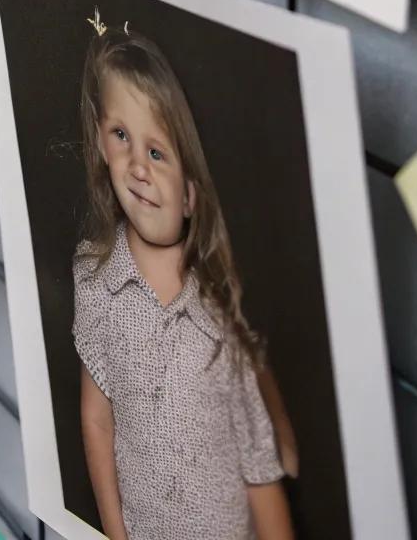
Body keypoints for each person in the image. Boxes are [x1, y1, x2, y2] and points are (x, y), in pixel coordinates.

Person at [73, 27, 297, 540]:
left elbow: (261, 480)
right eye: (121, 136)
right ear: (100, 143)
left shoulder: (220, 328)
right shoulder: (94, 282)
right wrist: (115, 532)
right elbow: (97, 422)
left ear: (192, 196)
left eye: (157, 152)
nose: (136, 166)